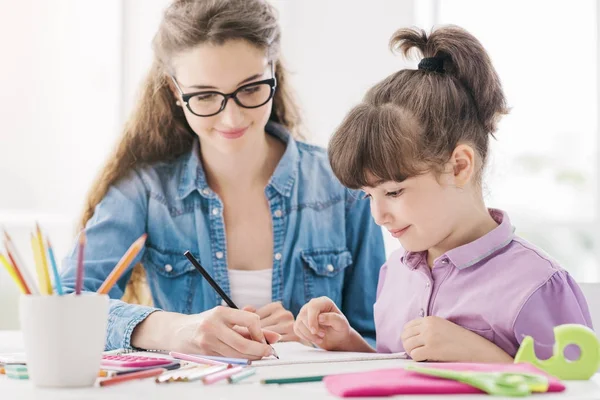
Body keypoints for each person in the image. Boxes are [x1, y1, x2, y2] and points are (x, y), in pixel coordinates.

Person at [60, 0, 384, 360]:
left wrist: (321, 339)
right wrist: (178, 329)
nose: (231, 119)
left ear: (273, 72)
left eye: (250, 90)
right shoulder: (146, 192)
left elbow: (377, 341)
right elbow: (65, 306)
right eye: (205, 95)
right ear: (174, 91)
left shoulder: (342, 185)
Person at [294, 25, 593, 362]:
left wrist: (484, 356)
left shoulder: (539, 285)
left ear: (459, 166)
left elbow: (577, 391)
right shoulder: (395, 274)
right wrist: (346, 343)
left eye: (393, 191)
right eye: (368, 195)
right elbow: (397, 376)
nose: (378, 216)